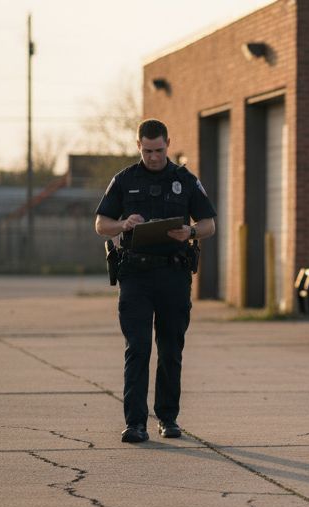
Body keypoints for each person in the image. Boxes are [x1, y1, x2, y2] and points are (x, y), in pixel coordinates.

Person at [94, 119, 216, 443]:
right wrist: (122, 224)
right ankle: (135, 423)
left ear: (168, 144)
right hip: (135, 276)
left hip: (174, 275)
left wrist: (189, 231)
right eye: (147, 151)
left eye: (159, 150)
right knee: (138, 348)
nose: (153, 157)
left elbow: (209, 224)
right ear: (138, 147)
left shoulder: (184, 179)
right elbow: (100, 223)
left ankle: (168, 418)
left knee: (171, 349)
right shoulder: (124, 180)